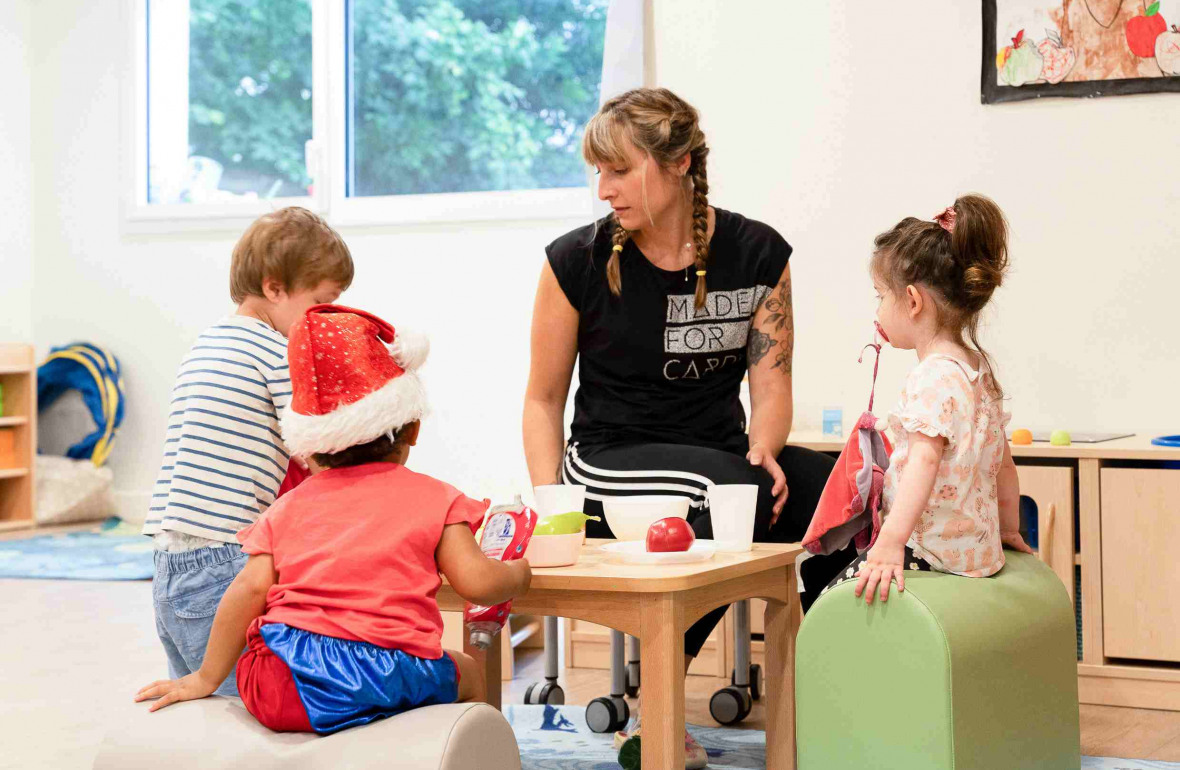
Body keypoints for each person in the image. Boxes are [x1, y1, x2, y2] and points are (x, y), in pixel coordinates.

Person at [522, 87, 847, 767]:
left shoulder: (758, 253)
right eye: (598, 171)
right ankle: (652, 713)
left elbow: (772, 382)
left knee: (845, 487)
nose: (604, 188)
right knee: (728, 487)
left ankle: (835, 687)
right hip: (605, 462)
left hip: (721, 458)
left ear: (679, 164)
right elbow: (544, 399)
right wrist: (552, 507)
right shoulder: (573, 261)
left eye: (619, 169)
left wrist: (765, 448)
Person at [136, 305, 532, 733]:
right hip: (382, 673)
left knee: (263, 657)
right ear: (413, 429)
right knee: (467, 672)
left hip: (280, 679)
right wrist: (518, 573)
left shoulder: (284, 508)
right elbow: (478, 582)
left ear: (309, 448)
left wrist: (206, 677)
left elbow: (248, 588)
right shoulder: (436, 498)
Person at [143, 207, 352, 696]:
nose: (323, 320)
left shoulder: (206, 343)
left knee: (202, 703)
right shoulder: (277, 353)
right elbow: (313, 443)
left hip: (168, 564)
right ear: (275, 288)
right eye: (321, 304)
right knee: (249, 702)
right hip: (222, 562)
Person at [816, 194, 1034, 606]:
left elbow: (924, 462)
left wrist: (891, 543)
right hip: (977, 556)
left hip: (929, 555)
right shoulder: (977, 373)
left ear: (913, 301)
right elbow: (1003, 464)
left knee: (825, 605)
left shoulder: (931, 377)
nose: (877, 309)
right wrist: (1007, 530)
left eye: (880, 295)